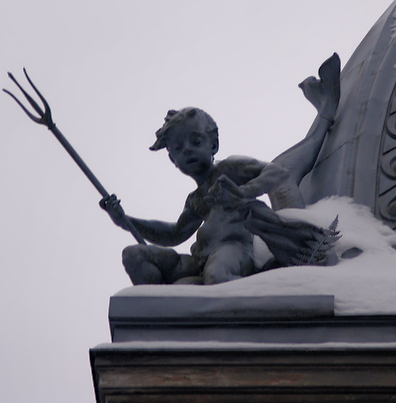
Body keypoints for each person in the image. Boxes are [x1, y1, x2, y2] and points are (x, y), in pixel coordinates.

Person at [100, 54, 341, 285]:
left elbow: (277, 173)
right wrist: (125, 220)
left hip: (233, 253)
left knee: (217, 276)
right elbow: (173, 235)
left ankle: (259, 302)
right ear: (173, 160)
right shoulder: (195, 200)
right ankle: (164, 315)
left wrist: (243, 193)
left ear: (213, 144)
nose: (187, 151)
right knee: (134, 255)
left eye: (195, 142)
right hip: (199, 261)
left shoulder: (229, 169)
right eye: (177, 149)